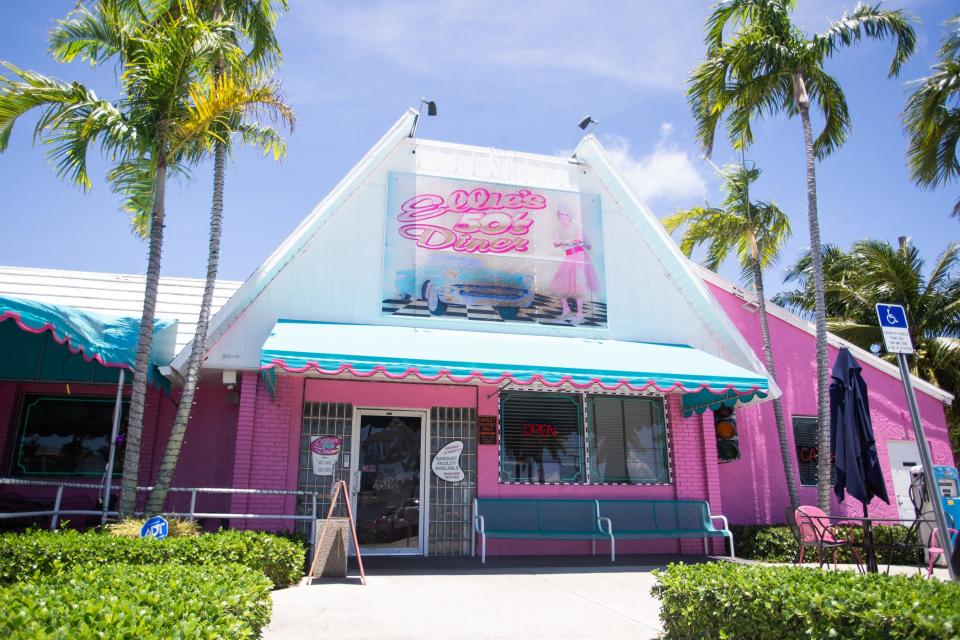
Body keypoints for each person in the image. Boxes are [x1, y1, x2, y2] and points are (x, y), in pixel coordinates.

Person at [550, 206, 600, 324]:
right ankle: (566, 308)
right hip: (569, 256)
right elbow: (556, 243)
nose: (563, 217)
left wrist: (567, 242)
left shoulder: (575, 227)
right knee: (561, 282)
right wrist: (565, 242)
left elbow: (582, 242)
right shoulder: (558, 229)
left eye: (566, 215)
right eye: (561, 214)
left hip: (579, 256)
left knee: (579, 284)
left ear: (570, 217)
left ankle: (580, 313)